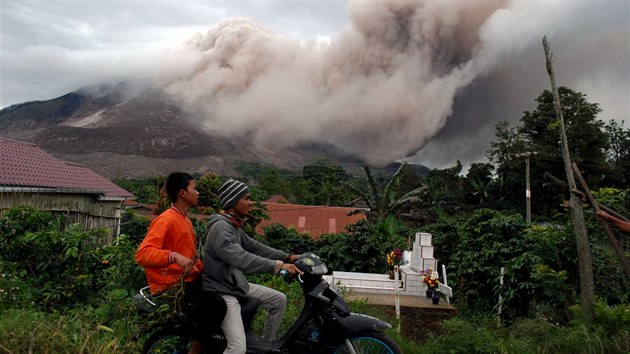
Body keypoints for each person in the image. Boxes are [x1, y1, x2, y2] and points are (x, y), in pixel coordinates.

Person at [202, 179, 302, 354]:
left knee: (279, 300)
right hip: (223, 290)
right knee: (237, 348)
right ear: (233, 201)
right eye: (246, 198)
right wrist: (279, 266)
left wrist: (289, 256)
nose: (250, 203)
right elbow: (242, 259)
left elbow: (255, 247)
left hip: (235, 285)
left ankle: (266, 347)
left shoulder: (233, 226)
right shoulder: (221, 229)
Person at [136, 172, 227, 354]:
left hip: (188, 280)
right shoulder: (166, 219)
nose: (198, 193)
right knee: (217, 305)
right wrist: (173, 256)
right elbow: (142, 254)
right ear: (182, 193)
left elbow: (191, 258)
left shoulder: (184, 220)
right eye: (194, 188)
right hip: (173, 285)